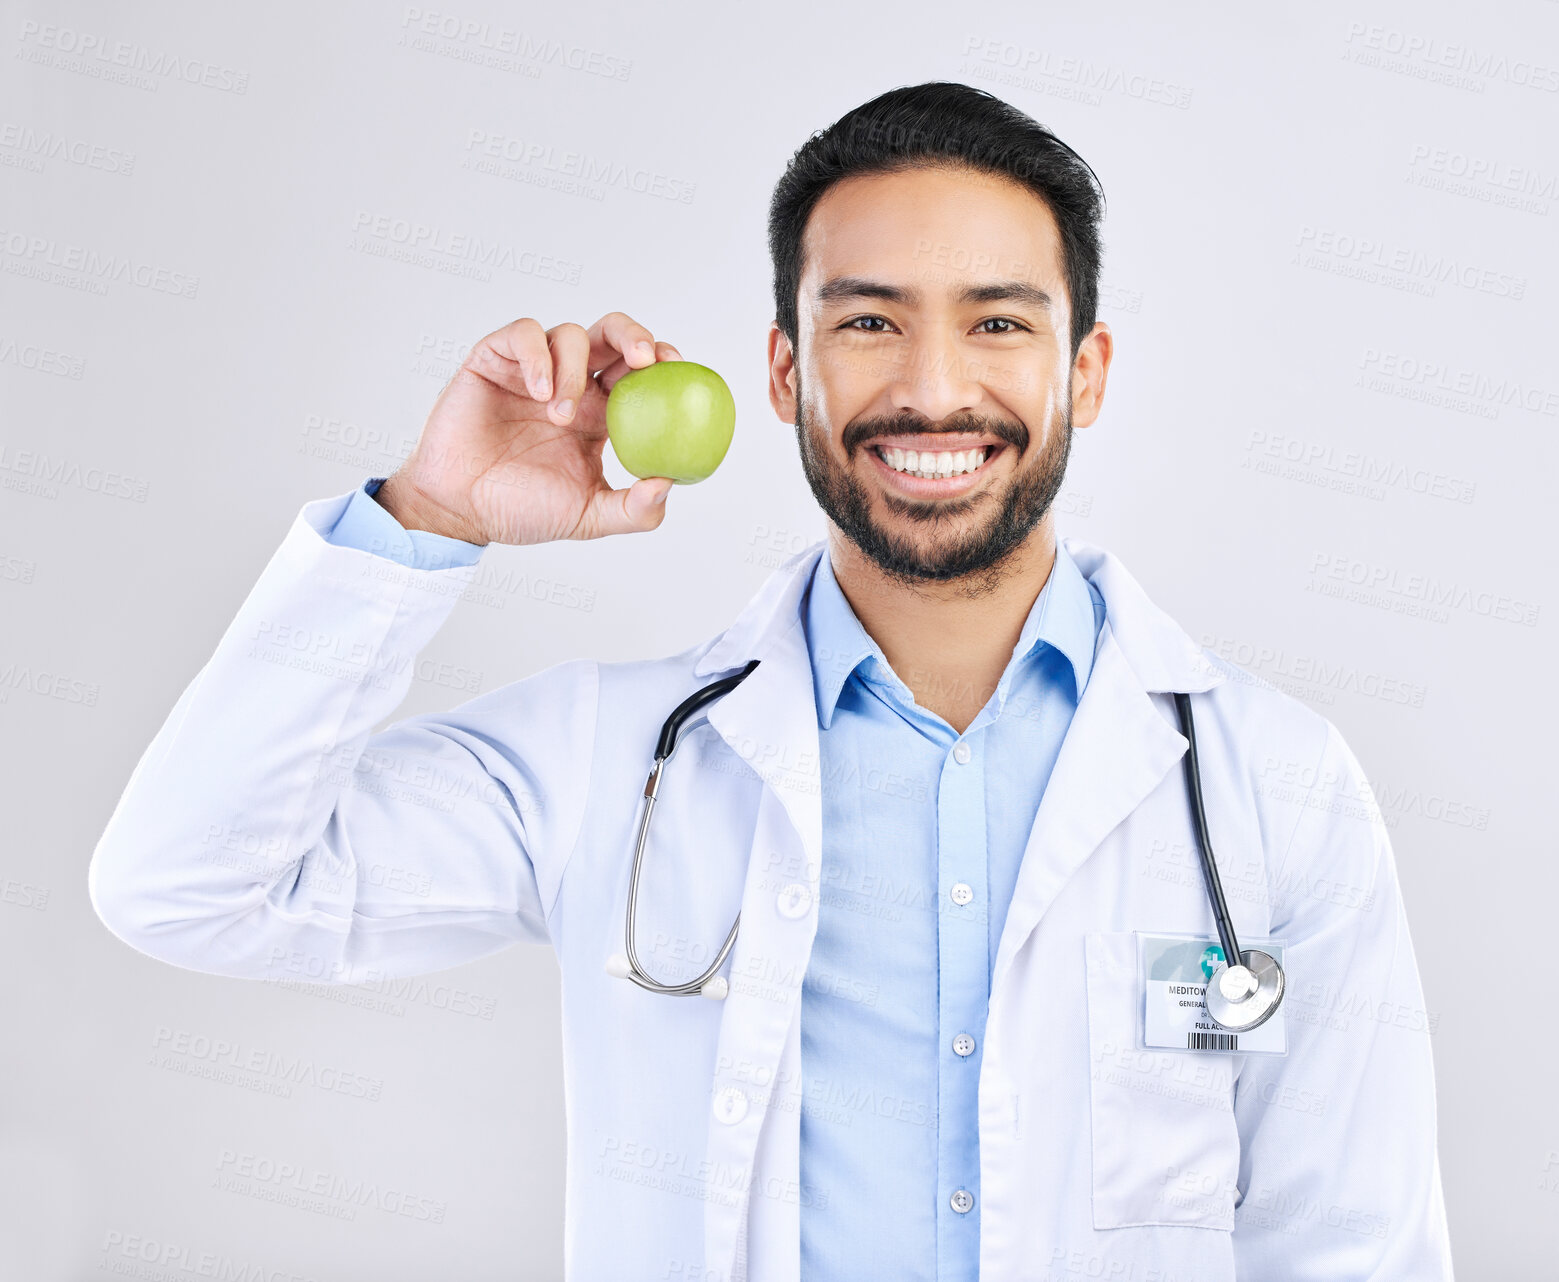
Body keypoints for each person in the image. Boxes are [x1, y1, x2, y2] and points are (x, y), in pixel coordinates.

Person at [89, 82, 1454, 1281]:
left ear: (1083, 372)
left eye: (997, 323)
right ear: (784, 369)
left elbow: (1356, 1246)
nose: (932, 389)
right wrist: (430, 513)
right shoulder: (610, 758)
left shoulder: (1268, 786)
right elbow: (188, 883)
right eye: (869, 322)